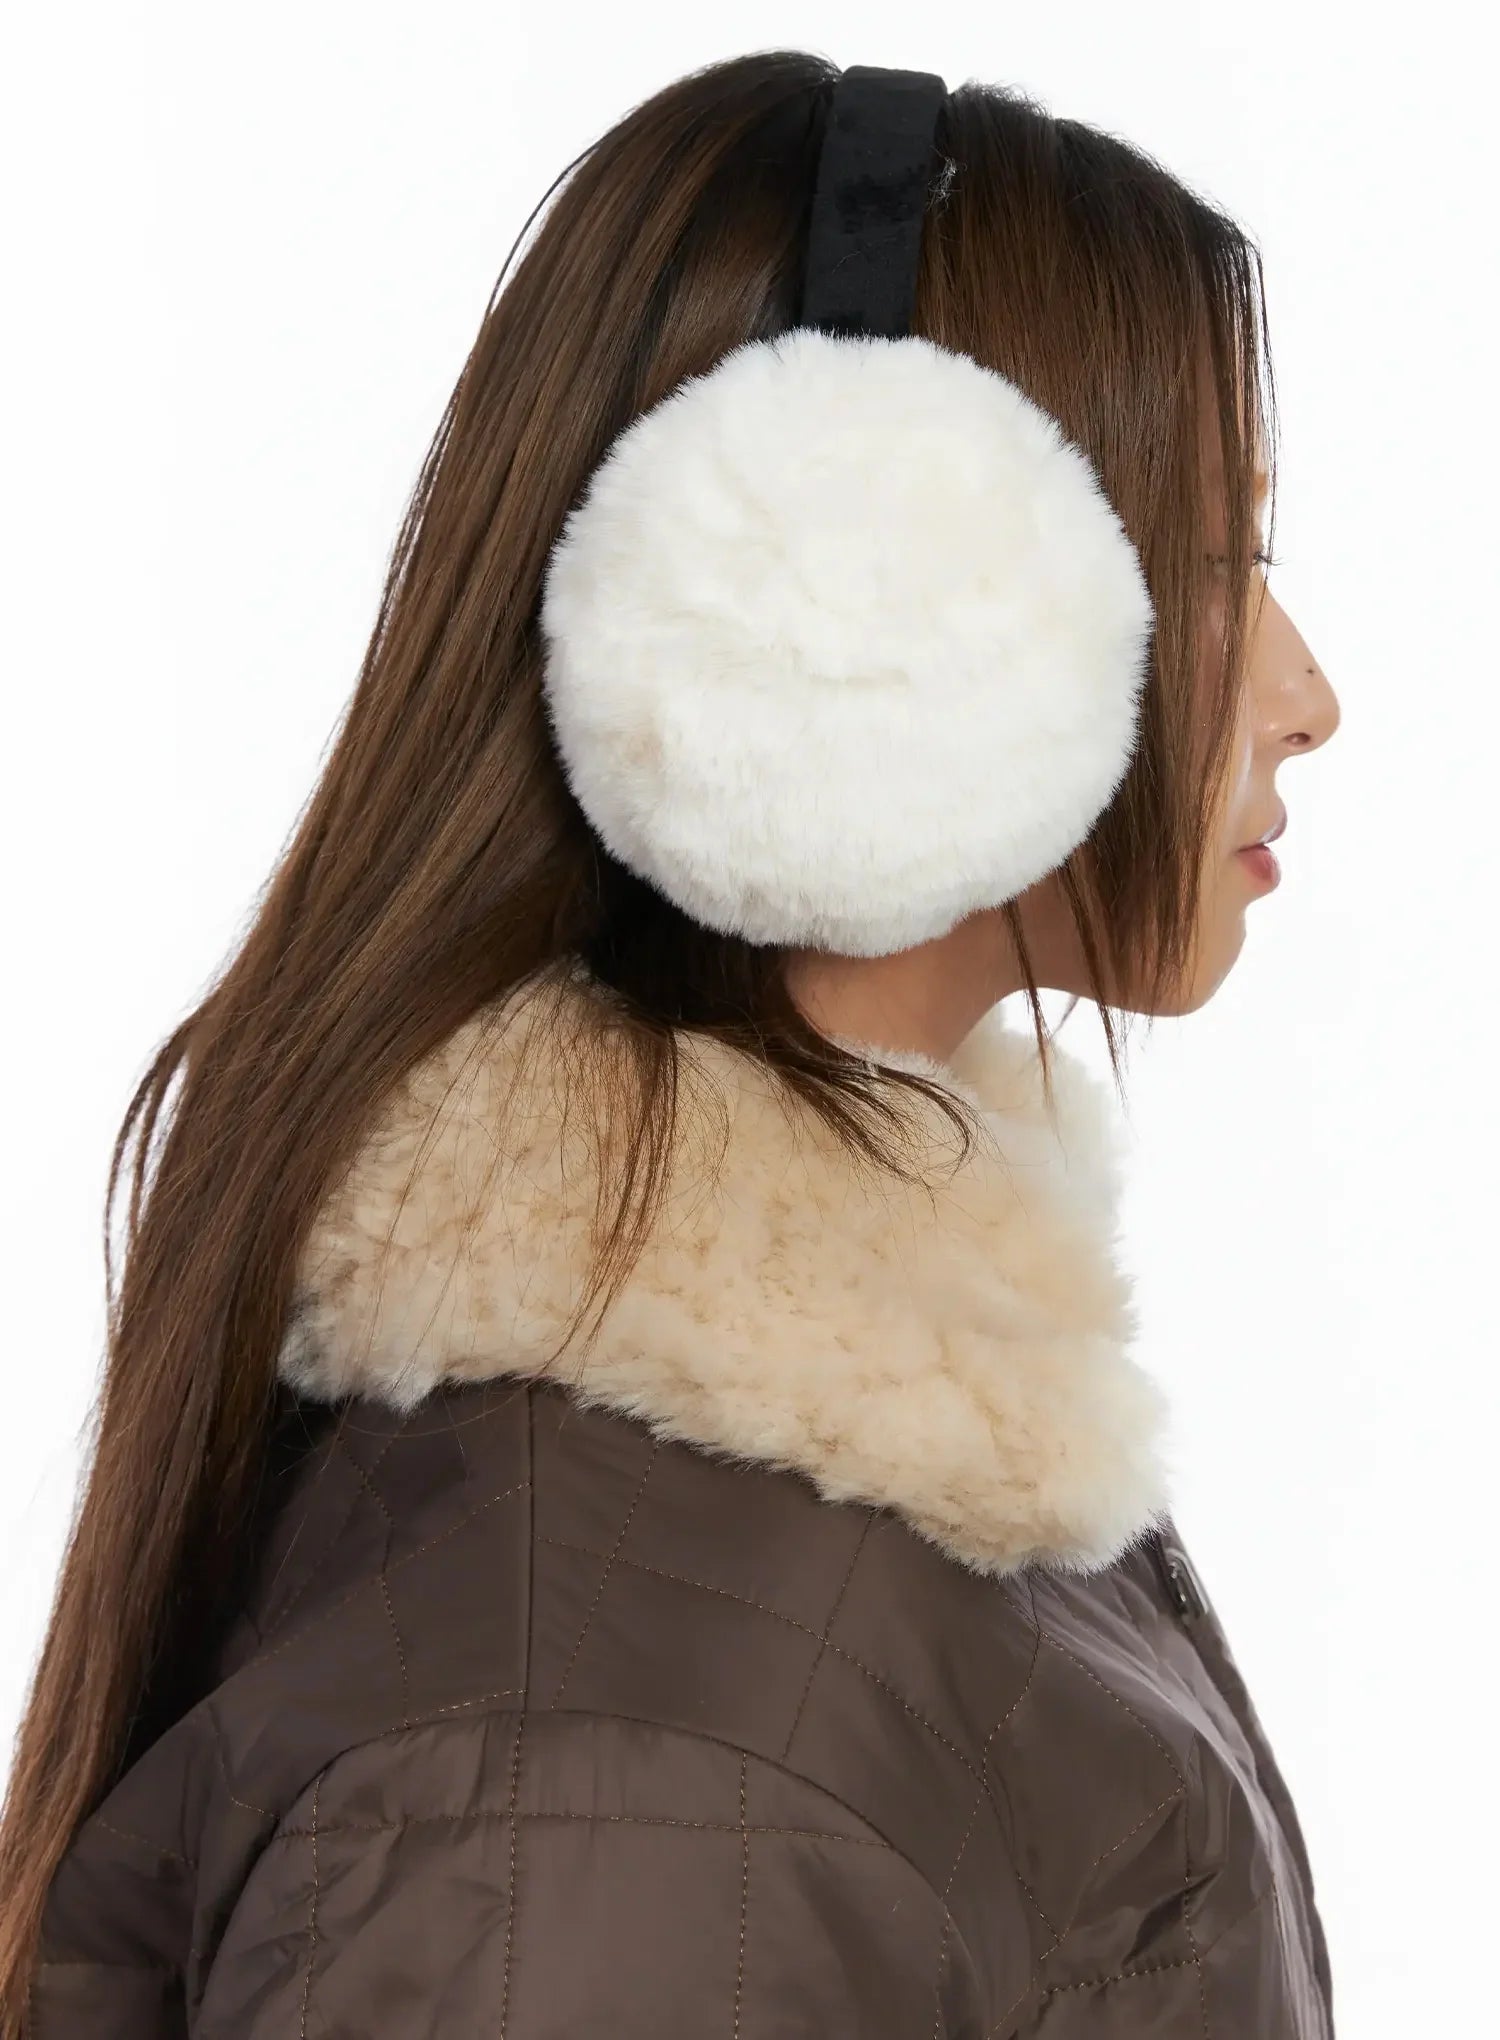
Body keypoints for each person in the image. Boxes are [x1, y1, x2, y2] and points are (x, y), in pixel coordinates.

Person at [0, 51, 1341, 2038]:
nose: (1311, 696)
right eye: (1216, 563)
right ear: (863, 626)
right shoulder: (621, 1774)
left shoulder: (779, 1532)